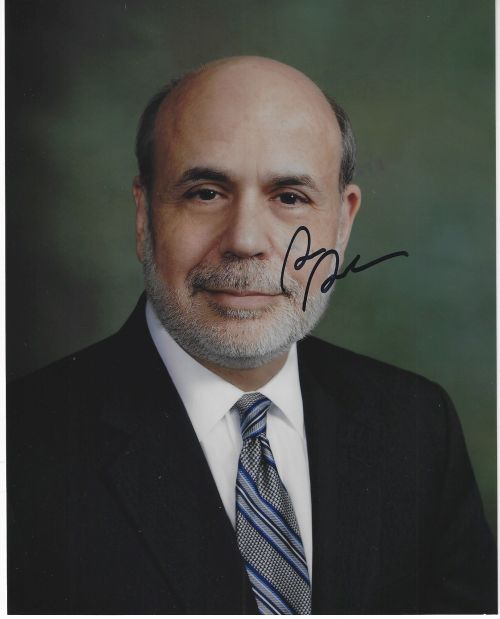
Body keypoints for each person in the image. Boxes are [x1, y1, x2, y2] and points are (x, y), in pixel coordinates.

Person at [7, 56, 496, 614]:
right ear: (144, 216)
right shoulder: (20, 446)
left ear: (342, 222)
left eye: (289, 198)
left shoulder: (417, 425)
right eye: (205, 193)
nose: (245, 240)